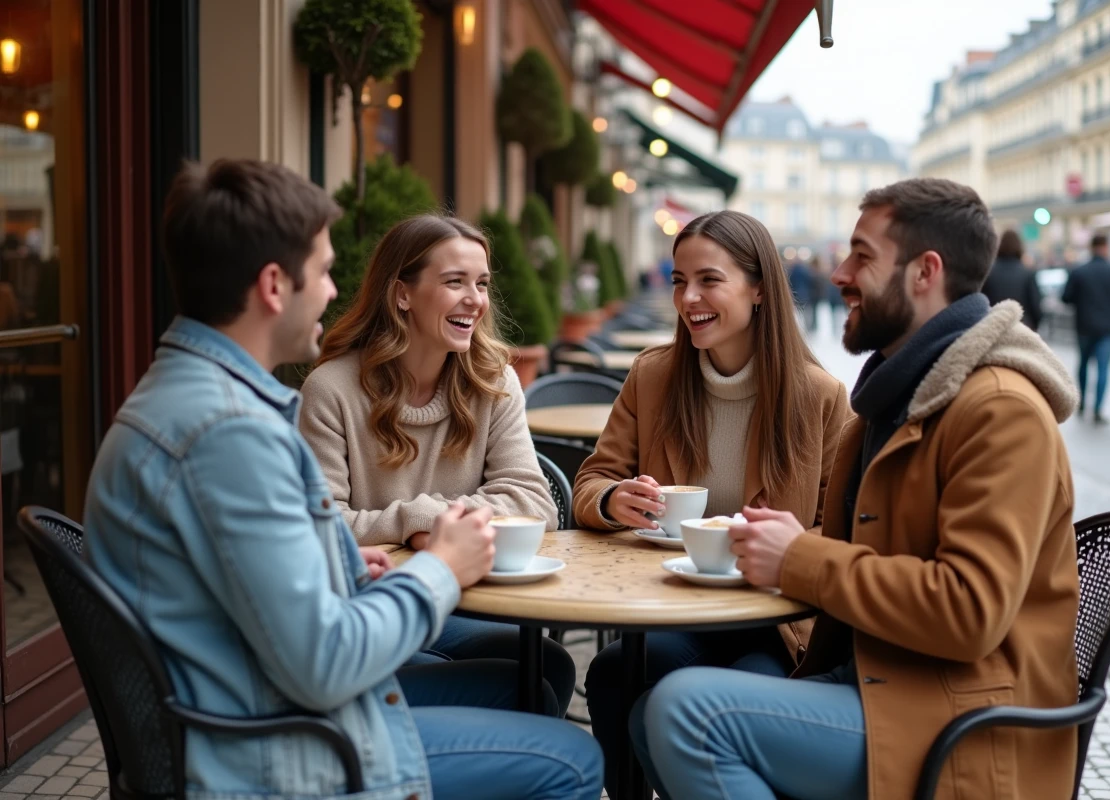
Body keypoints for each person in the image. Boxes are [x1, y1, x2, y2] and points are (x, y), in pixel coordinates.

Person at [84, 159, 603, 800]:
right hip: (279, 749)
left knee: (533, 677)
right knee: (573, 759)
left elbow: (263, 583)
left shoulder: (190, 402)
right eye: (325, 270)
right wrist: (435, 568)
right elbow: (325, 665)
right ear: (276, 285)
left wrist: (347, 568)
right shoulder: (228, 435)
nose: (333, 291)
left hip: (255, 705)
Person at [639, 178, 1081, 800]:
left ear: (925, 272)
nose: (839, 272)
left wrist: (799, 558)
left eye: (862, 256)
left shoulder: (998, 411)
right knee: (646, 701)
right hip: (881, 685)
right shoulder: (895, 397)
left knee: (688, 712)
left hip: (963, 725)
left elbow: (969, 613)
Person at [572, 210, 850, 796]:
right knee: (614, 672)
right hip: (668, 606)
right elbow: (591, 481)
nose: (688, 297)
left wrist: (791, 546)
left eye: (708, 280)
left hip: (771, 625)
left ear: (758, 288)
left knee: (736, 696)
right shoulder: (653, 378)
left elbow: (843, 531)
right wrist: (613, 499)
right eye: (678, 280)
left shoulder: (819, 397)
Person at [299, 213, 577, 716]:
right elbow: (324, 528)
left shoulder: (493, 382)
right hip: (369, 606)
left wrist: (433, 528)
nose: (476, 299)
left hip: (463, 595)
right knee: (531, 683)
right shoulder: (332, 391)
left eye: (482, 283)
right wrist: (420, 524)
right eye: (455, 282)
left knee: (552, 664)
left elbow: (535, 501)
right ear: (402, 294)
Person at [1062, 232, 1110, 423]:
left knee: (1083, 364)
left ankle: (1082, 402)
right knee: (1103, 369)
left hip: (1084, 325)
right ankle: (1098, 408)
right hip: (1108, 328)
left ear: (1091, 247)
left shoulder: (1079, 272)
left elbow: (1066, 297)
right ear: (1107, 247)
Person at [982, 228, 1042, 330]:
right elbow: (1036, 306)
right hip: (1021, 328)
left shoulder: (988, 273)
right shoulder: (1027, 273)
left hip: (993, 327)